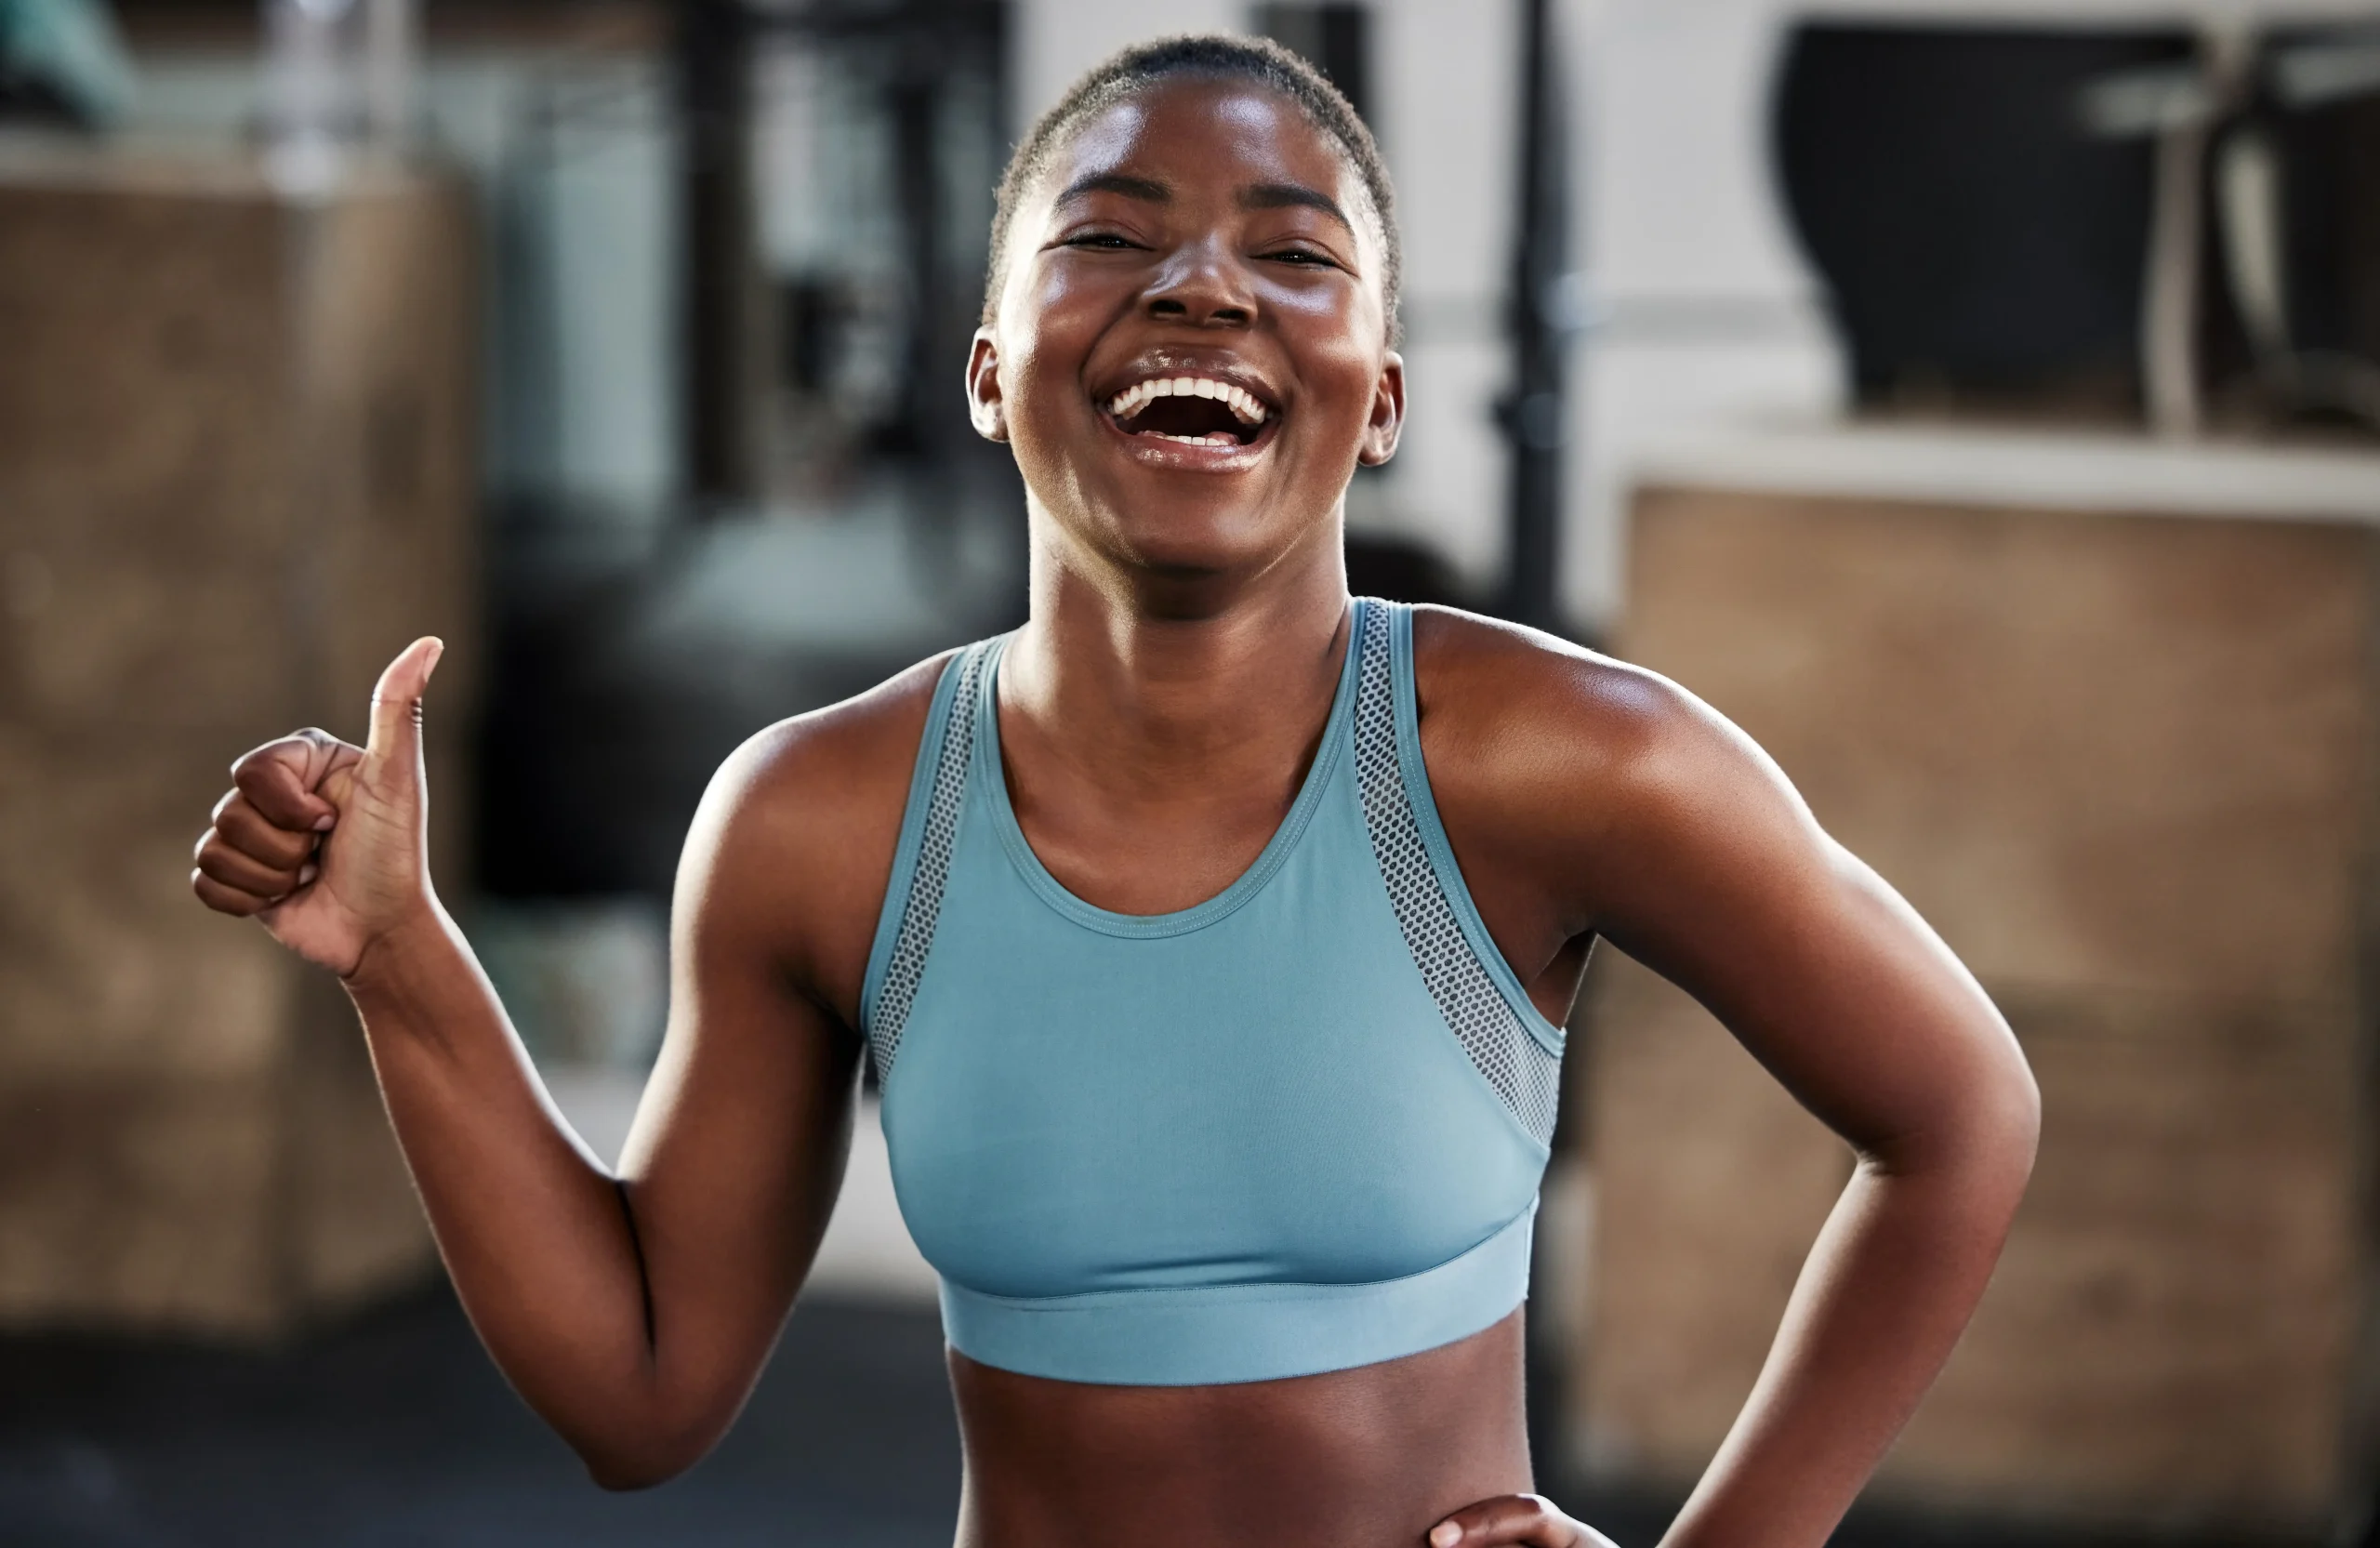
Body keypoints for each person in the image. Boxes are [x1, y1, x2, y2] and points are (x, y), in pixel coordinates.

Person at [191, 35, 2038, 1548]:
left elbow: (1958, 1112)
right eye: (1108, 234)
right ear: (990, 373)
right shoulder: (819, 822)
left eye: (1293, 251)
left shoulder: (1551, 756)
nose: (1201, 282)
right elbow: (642, 1393)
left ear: (1377, 392)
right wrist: (405, 963)